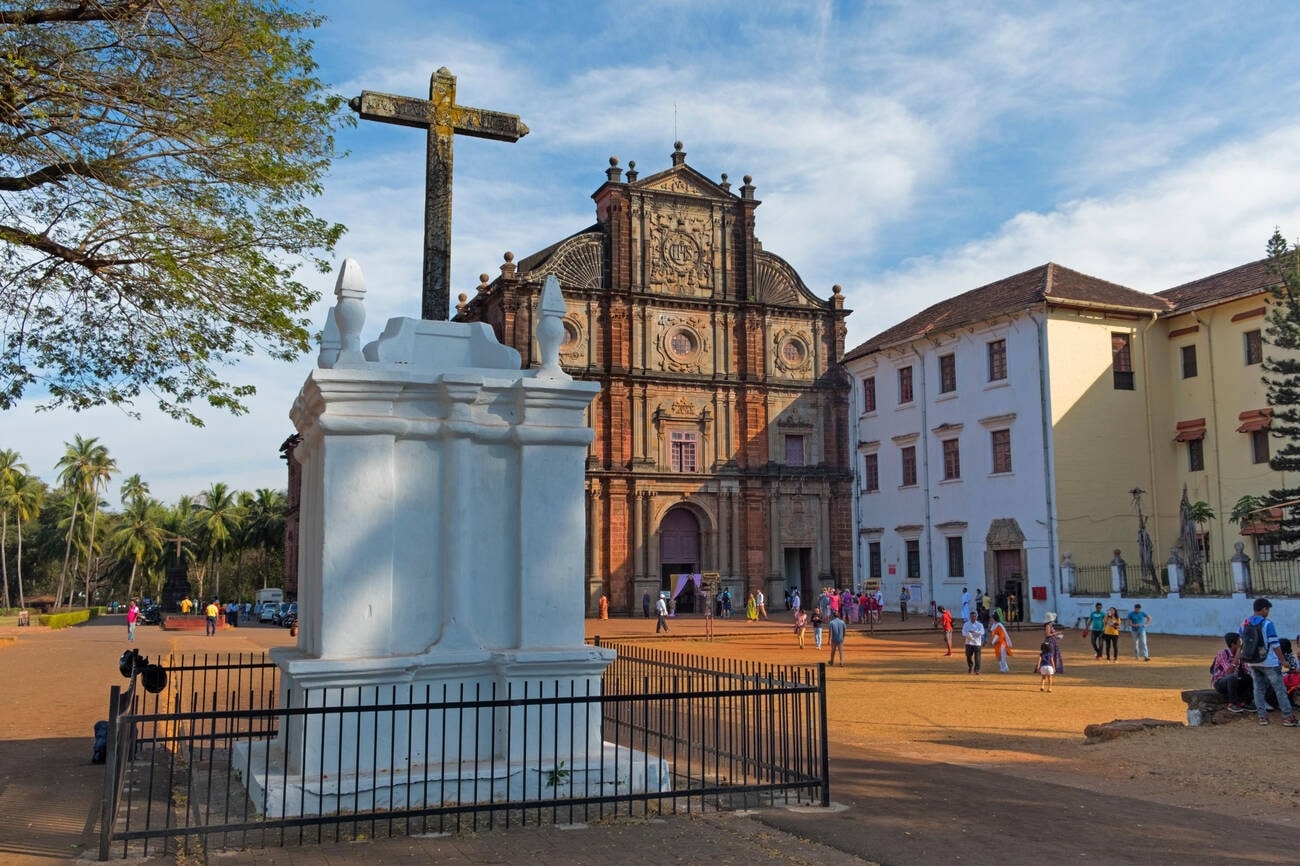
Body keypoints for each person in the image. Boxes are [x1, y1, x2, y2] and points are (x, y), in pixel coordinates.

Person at [1241, 598, 1298, 726]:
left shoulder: (1244, 623)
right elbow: (1275, 644)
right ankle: (1288, 717)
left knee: (1258, 689)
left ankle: (1262, 717)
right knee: (1279, 689)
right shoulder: (1267, 624)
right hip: (1268, 661)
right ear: (1264, 609)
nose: (1268, 612)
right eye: (1268, 610)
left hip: (1252, 661)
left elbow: (1242, 641)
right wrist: (1282, 660)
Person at [1210, 632, 1252, 713]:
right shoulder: (1222, 654)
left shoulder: (1241, 655)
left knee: (1250, 678)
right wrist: (1237, 655)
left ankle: (1244, 702)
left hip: (1234, 682)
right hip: (1221, 683)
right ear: (1233, 644)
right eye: (1239, 642)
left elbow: (1247, 669)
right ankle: (1232, 704)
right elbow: (1229, 672)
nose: (1241, 644)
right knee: (1232, 677)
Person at [961, 610, 985, 675]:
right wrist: (969, 635)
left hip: (977, 643)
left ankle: (977, 670)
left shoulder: (980, 625)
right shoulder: (966, 624)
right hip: (968, 642)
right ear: (970, 617)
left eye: (974, 616)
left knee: (977, 657)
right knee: (968, 656)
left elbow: (982, 632)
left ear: (976, 617)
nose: (973, 618)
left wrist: (975, 633)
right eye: (972, 616)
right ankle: (970, 666)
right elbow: (963, 632)